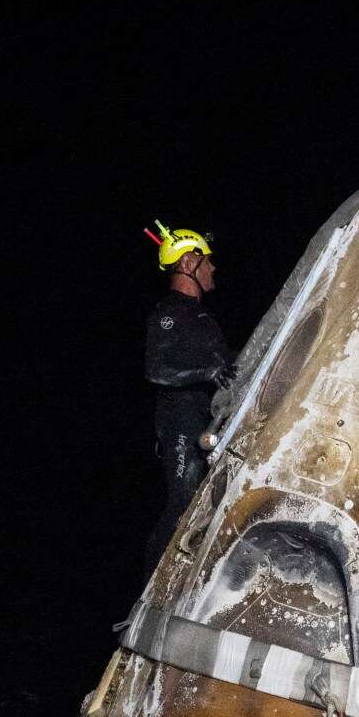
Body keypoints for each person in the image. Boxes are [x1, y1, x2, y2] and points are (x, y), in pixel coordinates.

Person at [143, 221, 235, 576]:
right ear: (187, 264)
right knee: (183, 502)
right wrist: (207, 373)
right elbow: (156, 369)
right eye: (207, 260)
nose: (213, 267)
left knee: (206, 504)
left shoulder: (202, 317)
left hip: (206, 421)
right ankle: (148, 593)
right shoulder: (170, 311)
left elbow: (228, 366)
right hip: (180, 421)